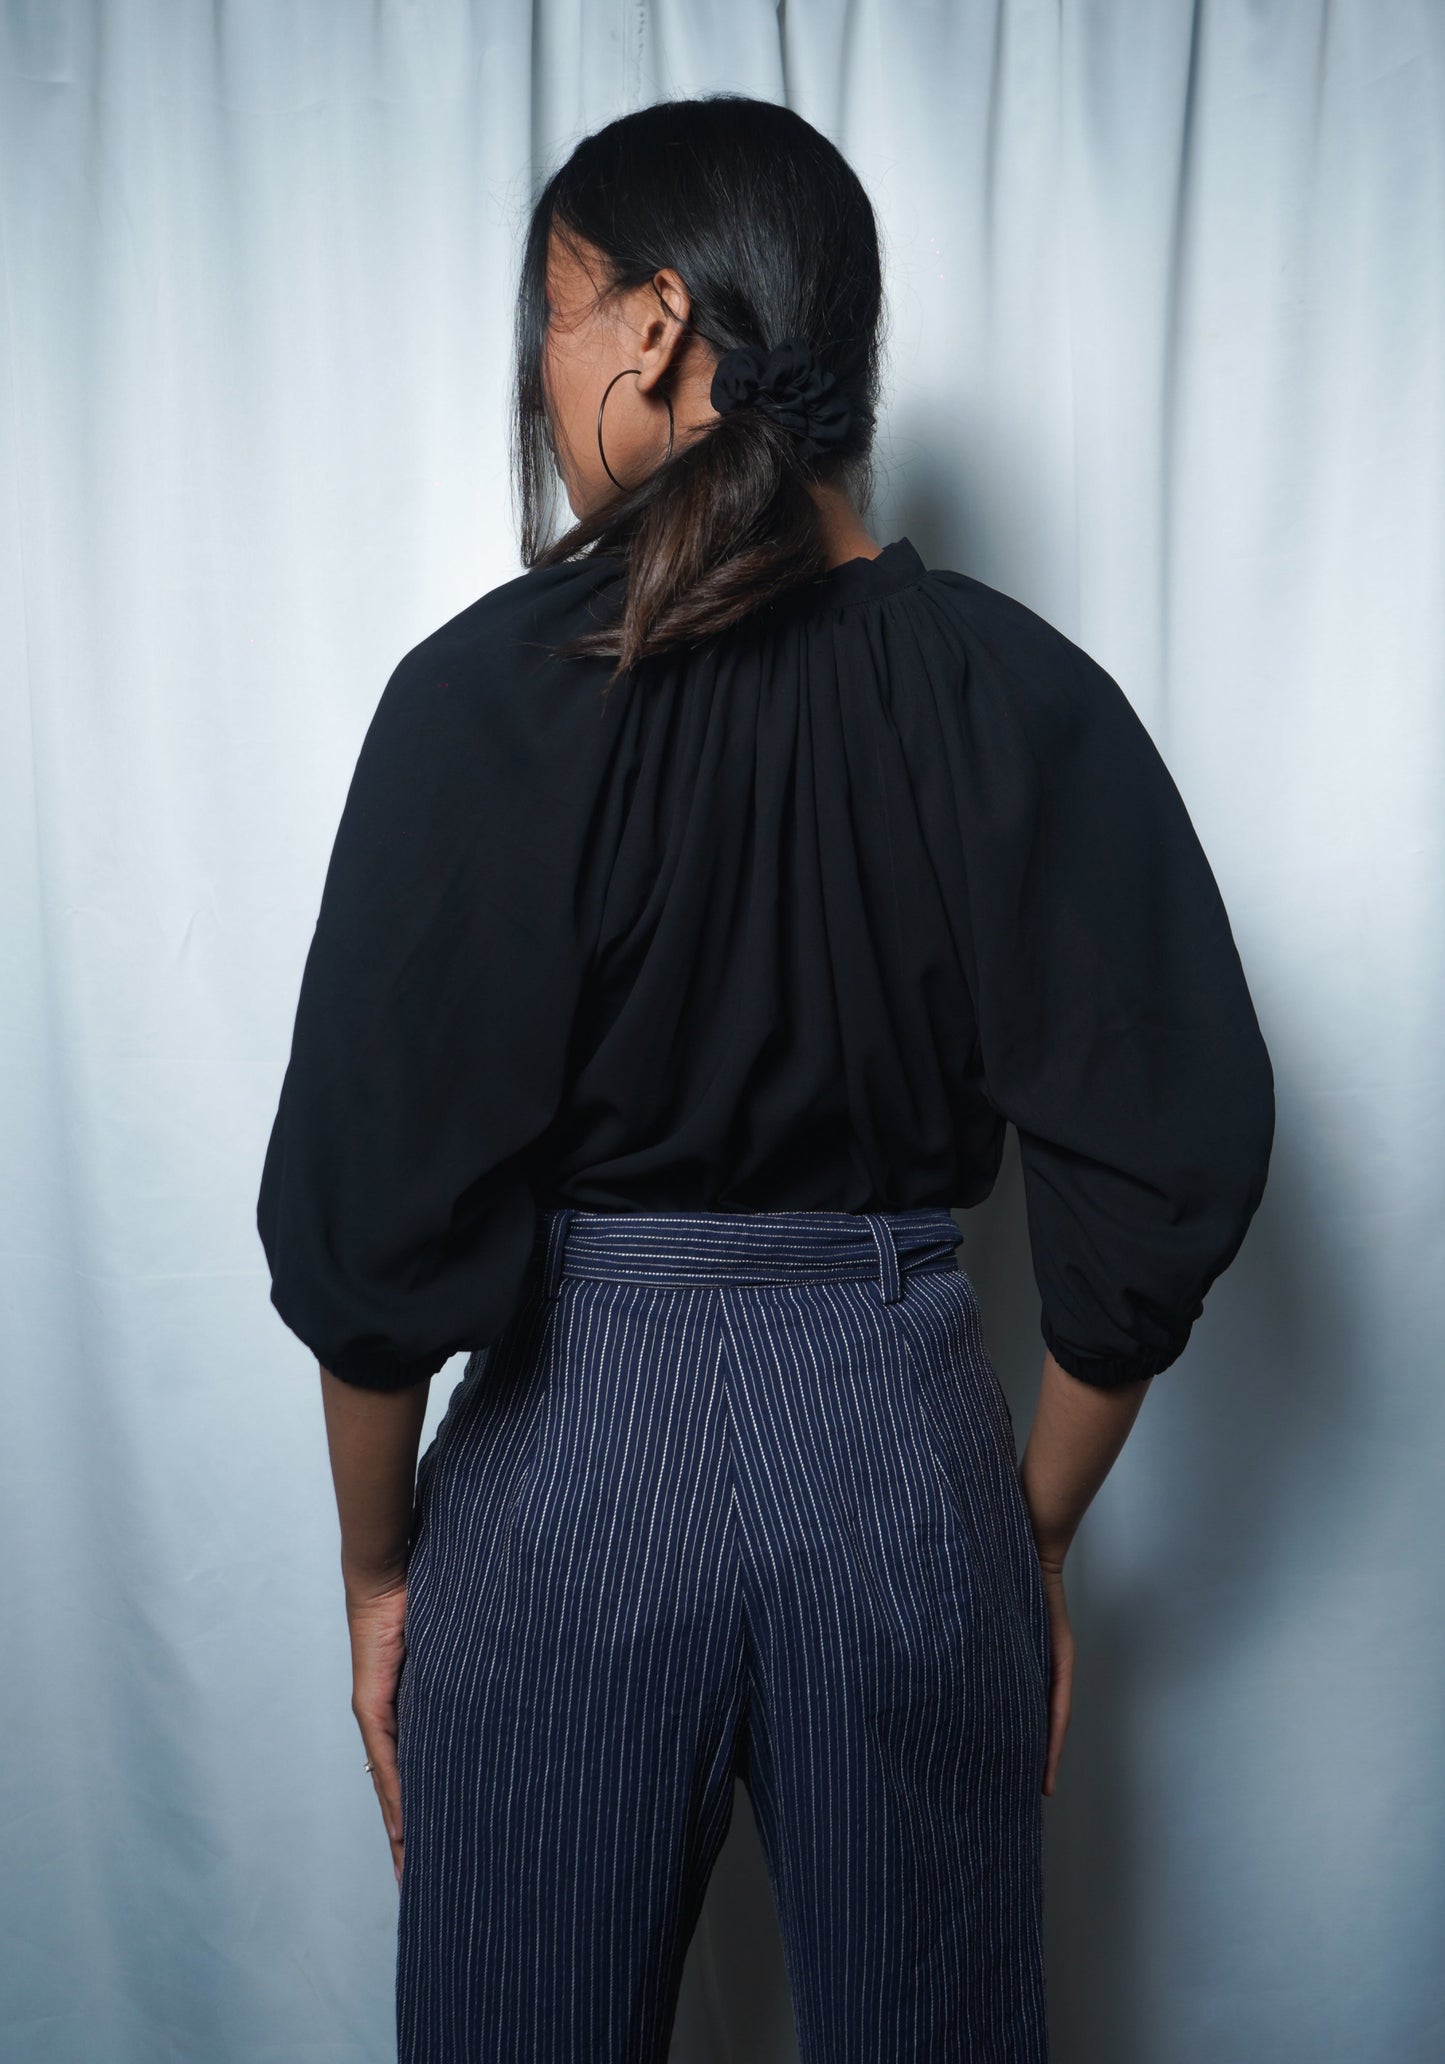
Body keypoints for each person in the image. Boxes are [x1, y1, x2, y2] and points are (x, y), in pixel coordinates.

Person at [256, 92, 1275, 2064]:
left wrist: (383, 1572)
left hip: (566, 1471)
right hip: (902, 1463)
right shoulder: (1017, 697)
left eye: (552, 315)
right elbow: (1171, 1169)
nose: (540, 372)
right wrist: (1031, 1536)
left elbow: (377, 1223)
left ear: (649, 327)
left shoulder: (481, 700)